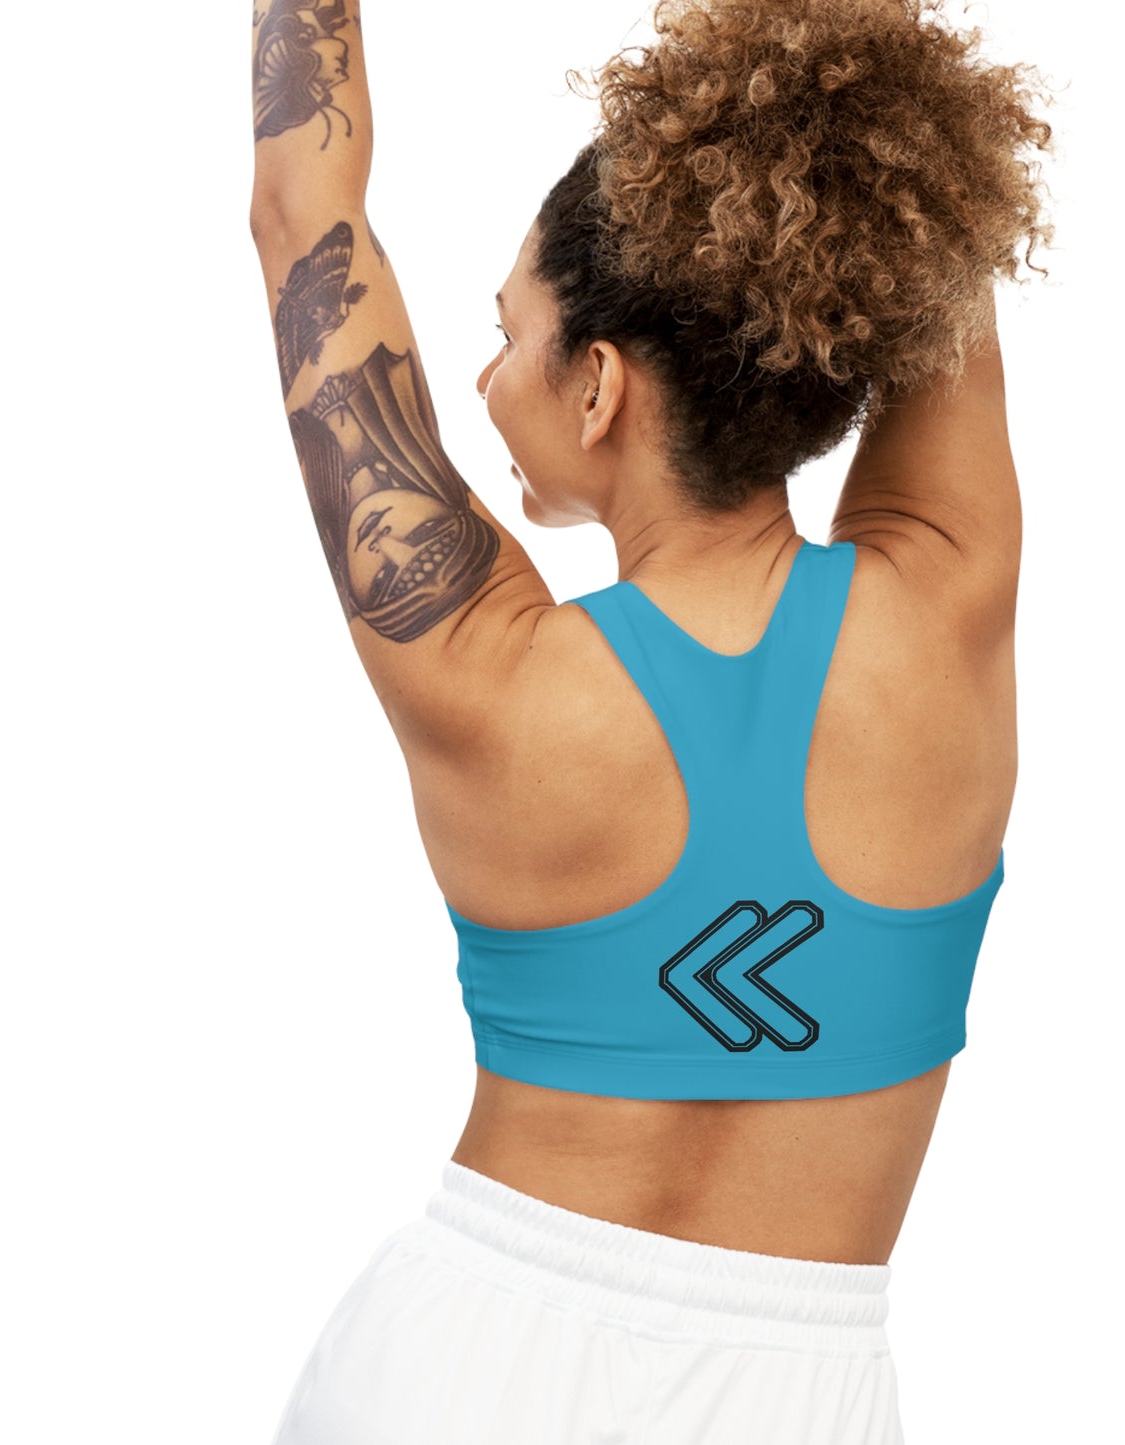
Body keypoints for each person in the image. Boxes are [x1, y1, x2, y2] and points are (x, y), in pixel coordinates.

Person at [249, 0, 1054, 1439]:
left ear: (601, 384)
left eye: (508, 335)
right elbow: (924, 236)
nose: (484, 379)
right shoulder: (949, 605)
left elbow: (302, 211)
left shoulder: (485, 672)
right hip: (802, 1394)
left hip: (460, 1373)